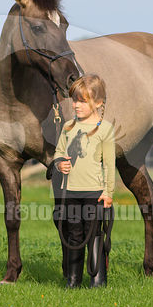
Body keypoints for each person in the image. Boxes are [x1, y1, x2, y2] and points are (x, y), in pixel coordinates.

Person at [51, 73, 115, 288]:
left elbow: (109, 165)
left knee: (94, 233)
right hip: (70, 192)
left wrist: (108, 192)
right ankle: (73, 280)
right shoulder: (68, 127)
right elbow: (58, 153)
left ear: (98, 103)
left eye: (82, 101)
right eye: (74, 100)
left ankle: (98, 280)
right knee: (73, 233)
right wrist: (60, 164)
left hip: (94, 192)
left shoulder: (105, 130)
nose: (76, 105)